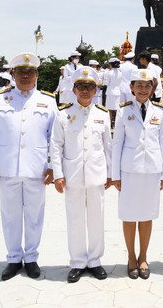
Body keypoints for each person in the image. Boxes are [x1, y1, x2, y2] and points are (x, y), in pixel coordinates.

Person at [0, 52, 57, 281]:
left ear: (36, 75)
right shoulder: (0, 99)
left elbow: (54, 137)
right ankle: (14, 258)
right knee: (10, 215)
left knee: (35, 215)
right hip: (8, 167)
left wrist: (53, 165)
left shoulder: (48, 100)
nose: (25, 76)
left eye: (30, 72)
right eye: (20, 72)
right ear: (13, 74)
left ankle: (32, 257)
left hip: (37, 169)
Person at [50, 66, 112, 283]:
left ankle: (95, 261)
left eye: (90, 87)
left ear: (95, 90)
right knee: (75, 219)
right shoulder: (63, 114)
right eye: (81, 87)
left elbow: (108, 147)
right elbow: (56, 146)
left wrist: (111, 174)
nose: (85, 91)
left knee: (97, 219)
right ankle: (77, 262)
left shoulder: (102, 115)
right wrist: (58, 174)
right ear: (74, 90)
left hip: (96, 176)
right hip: (72, 176)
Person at [111, 69, 163, 280]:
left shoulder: (160, 112)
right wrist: (115, 174)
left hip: (152, 170)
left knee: (146, 215)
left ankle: (144, 256)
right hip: (129, 170)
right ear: (131, 87)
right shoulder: (123, 110)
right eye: (139, 86)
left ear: (153, 89)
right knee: (129, 215)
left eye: (147, 86)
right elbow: (117, 143)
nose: (143, 90)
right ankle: (131, 257)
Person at [103, 57, 123, 126]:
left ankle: (110, 123)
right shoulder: (120, 73)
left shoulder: (109, 73)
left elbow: (106, 83)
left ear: (111, 64)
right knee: (116, 109)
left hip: (110, 92)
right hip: (118, 92)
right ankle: (116, 123)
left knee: (109, 109)